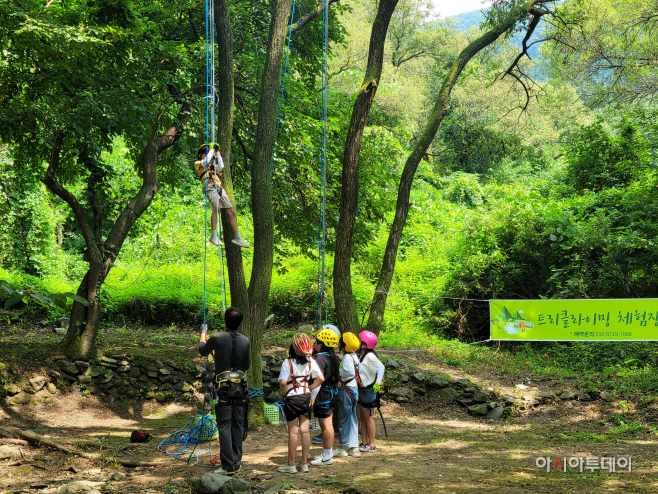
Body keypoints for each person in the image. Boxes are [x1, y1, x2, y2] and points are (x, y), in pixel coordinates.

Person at [199, 307, 251, 475]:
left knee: (225, 425)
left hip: (223, 389)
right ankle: (236, 463)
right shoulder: (245, 341)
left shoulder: (216, 338)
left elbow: (202, 351)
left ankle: (228, 466)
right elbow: (247, 365)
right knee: (237, 424)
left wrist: (202, 334)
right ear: (240, 323)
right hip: (240, 388)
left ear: (225, 321)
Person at [277, 333, 324, 474]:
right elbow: (321, 378)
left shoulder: (288, 362)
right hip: (305, 397)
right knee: (305, 431)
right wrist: (309, 388)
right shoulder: (310, 361)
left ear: (293, 347)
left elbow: (283, 382)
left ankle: (290, 464)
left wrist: (284, 392)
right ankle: (304, 464)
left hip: (292, 398)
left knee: (293, 431)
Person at [194, 143, 249, 248]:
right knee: (217, 207)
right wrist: (211, 150)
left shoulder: (212, 166)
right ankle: (214, 235)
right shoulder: (198, 163)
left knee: (231, 211)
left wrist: (217, 153)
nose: (208, 156)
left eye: (208, 154)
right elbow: (205, 161)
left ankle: (237, 237)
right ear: (201, 155)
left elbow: (221, 166)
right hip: (209, 185)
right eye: (205, 154)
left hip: (218, 187)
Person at [309, 328, 340, 466]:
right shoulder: (332, 357)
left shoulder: (320, 359)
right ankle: (327, 453)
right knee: (327, 424)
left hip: (323, 394)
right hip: (331, 393)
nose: (314, 344)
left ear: (320, 345)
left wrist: (310, 393)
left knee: (326, 425)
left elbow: (317, 378)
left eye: (316, 342)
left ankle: (327, 456)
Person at [332, 332, 362, 459]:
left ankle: (344, 447)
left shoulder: (346, 358)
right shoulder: (355, 356)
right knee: (352, 417)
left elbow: (348, 372)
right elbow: (358, 370)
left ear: (344, 346)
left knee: (344, 418)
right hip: (354, 389)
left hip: (347, 389)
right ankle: (354, 447)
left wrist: (337, 371)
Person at [357, 330, 385, 453]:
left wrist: (378, 383)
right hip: (362, 389)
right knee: (363, 418)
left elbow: (381, 367)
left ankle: (372, 444)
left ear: (365, 345)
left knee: (369, 418)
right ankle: (364, 442)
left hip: (368, 390)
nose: (357, 343)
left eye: (360, 341)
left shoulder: (370, 356)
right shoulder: (364, 355)